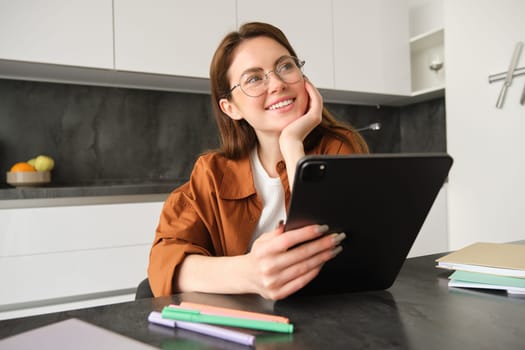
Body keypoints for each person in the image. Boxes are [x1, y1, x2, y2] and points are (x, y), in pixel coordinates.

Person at [148, 22, 369, 300]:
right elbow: (164, 261)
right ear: (231, 108)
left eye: (285, 66)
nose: (277, 83)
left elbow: (348, 258)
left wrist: (291, 146)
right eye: (254, 79)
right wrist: (249, 272)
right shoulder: (212, 173)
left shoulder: (339, 147)